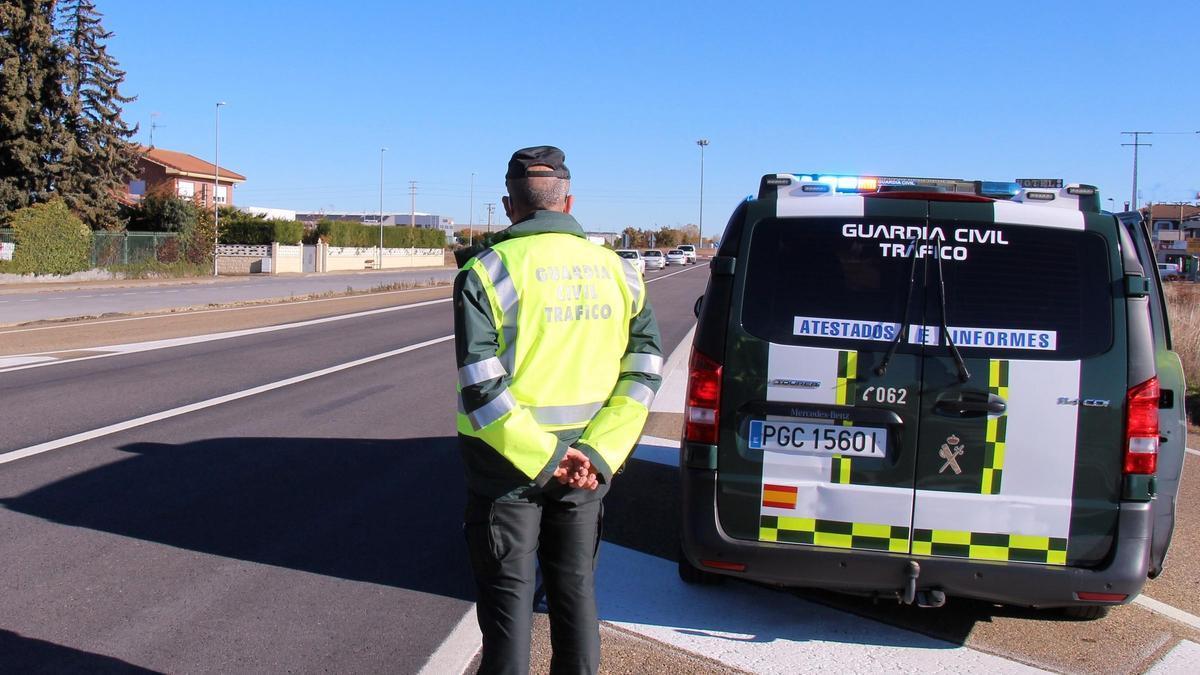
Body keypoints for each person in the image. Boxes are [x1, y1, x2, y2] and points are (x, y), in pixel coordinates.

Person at [453, 146, 663, 674]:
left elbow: (481, 387)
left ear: (509, 205)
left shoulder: (486, 271)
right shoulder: (621, 271)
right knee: (576, 596)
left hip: (506, 469)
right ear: (568, 201)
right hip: (588, 469)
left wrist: (546, 457)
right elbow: (643, 370)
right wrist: (596, 451)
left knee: (507, 605)